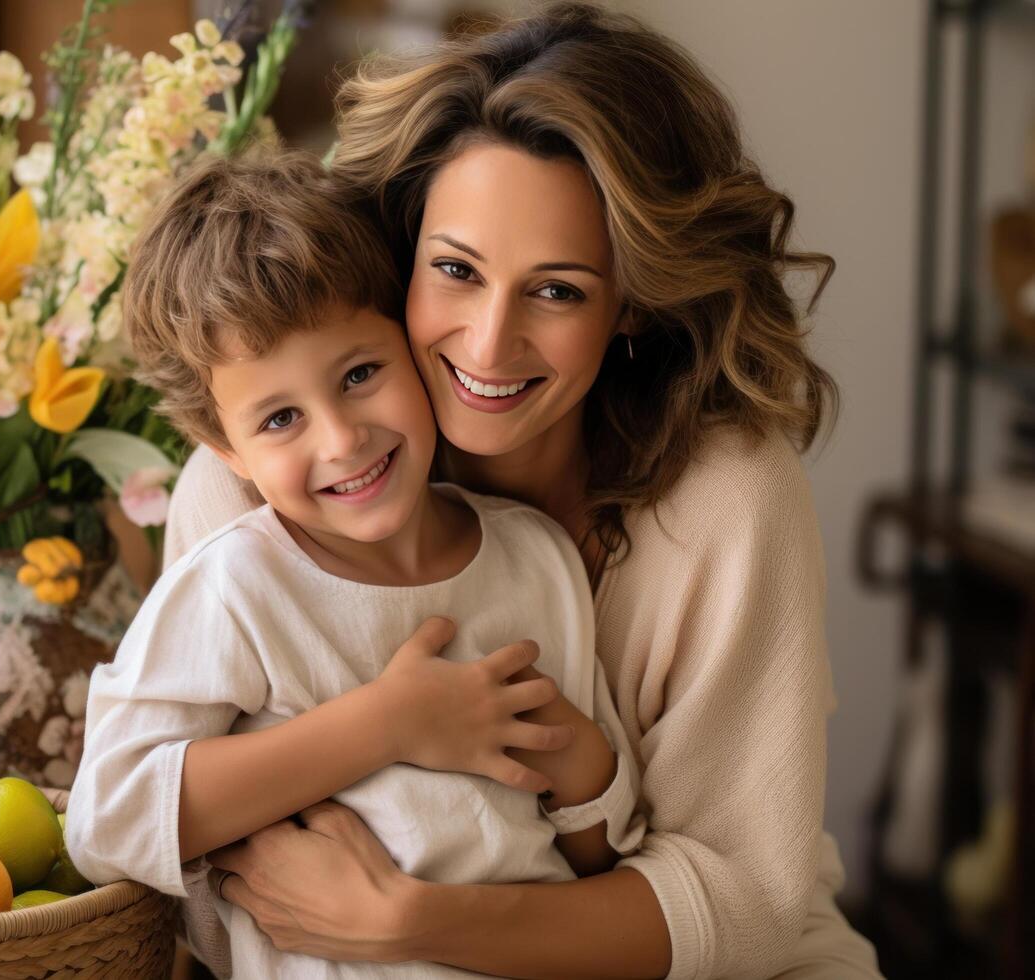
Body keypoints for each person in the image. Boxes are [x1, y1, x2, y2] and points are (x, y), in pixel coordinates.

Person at [159, 4, 885, 978]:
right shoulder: (255, 494)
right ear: (404, 251)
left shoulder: (728, 498)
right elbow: (222, 874)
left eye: (557, 290)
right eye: (455, 270)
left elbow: (744, 907)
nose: (489, 344)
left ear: (630, 301)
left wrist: (407, 920)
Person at [66, 152, 646, 978]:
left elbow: (600, 856)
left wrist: (576, 760)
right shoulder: (235, 587)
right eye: (279, 419)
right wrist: (388, 723)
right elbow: (108, 820)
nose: (340, 439)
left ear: (411, 345)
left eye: (361, 374)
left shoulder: (534, 558)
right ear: (223, 449)